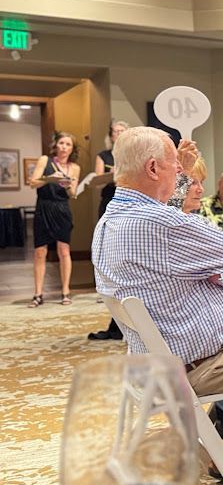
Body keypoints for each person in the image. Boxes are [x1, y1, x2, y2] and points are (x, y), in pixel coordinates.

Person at [92, 127, 223, 485]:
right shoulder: (159, 224)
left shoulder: (110, 219)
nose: (181, 175)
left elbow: (173, 235)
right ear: (153, 168)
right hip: (199, 365)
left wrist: (182, 174)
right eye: (176, 167)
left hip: (153, 363)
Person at [28, 132, 81, 308]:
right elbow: (33, 183)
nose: (64, 147)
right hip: (43, 207)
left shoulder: (75, 168)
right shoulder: (45, 160)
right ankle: (38, 294)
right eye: (62, 143)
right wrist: (50, 179)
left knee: (64, 251)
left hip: (62, 209)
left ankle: (65, 291)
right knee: (40, 252)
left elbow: (73, 194)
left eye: (68, 144)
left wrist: (67, 186)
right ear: (56, 145)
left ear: (72, 149)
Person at [88, 120, 129, 340]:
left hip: (131, 204)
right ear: (110, 135)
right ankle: (108, 292)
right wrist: (113, 175)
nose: (119, 134)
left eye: (123, 131)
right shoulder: (104, 155)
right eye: (115, 131)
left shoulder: (133, 153)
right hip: (110, 202)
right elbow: (96, 181)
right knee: (110, 251)